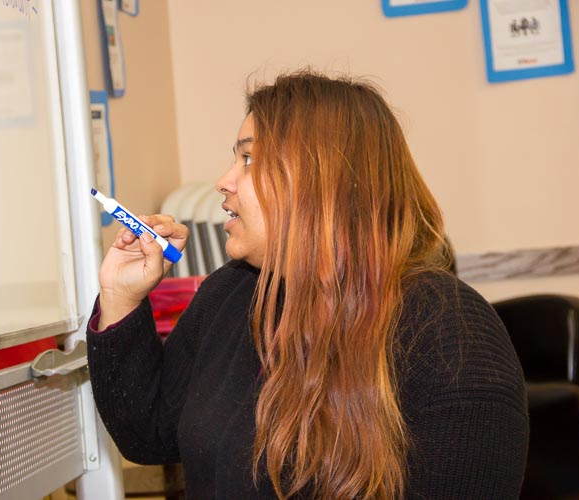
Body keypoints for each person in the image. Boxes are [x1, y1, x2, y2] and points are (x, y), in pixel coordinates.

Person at [86, 70, 529, 499]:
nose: (224, 181)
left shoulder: (448, 330)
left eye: (249, 159)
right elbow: (150, 433)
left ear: (323, 180)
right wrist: (121, 295)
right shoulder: (231, 293)